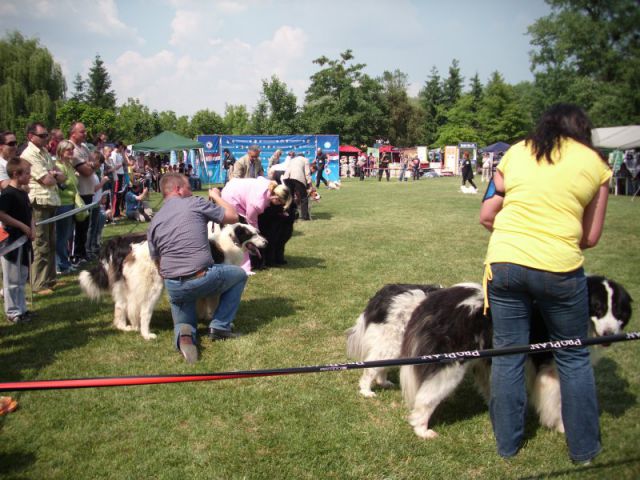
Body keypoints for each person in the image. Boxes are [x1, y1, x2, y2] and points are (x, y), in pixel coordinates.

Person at [479, 103, 611, 463]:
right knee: (573, 356)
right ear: (583, 129)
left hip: (505, 263)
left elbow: (487, 212)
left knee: (508, 355)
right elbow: (591, 236)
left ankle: (507, 445)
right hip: (560, 268)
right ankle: (584, 449)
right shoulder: (597, 166)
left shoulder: (518, 152)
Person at [147, 173, 246, 363]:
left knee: (184, 321)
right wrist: (217, 196)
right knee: (239, 274)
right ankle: (220, 326)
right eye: (189, 187)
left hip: (174, 285)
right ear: (178, 189)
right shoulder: (194, 202)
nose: (191, 191)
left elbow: (156, 259)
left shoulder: (155, 220)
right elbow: (233, 217)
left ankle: (185, 337)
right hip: (202, 277)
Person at [21, 122, 64, 295]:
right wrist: (53, 175)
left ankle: (50, 279)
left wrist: (53, 175)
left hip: (51, 200)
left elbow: (61, 177)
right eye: (42, 135)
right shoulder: (29, 154)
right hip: (38, 203)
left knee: (51, 243)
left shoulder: (45, 152)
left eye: (47, 134)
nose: (47, 137)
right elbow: (47, 180)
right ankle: (38, 284)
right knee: (40, 245)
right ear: (31, 136)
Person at [221, 176, 292, 273]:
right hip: (231, 197)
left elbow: (260, 178)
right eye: (280, 203)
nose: (280, 205)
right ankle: (244, 266)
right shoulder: (257, 204)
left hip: (234, 185)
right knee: (244, 234)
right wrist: (258, 237)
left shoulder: (271, 184)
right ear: (276, 197)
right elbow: (251, 223)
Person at [0, 158, 35, 323]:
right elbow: (2, 214)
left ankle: (22, 308)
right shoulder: (8, 194)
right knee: (12, 279)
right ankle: (13, 312)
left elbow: (30, 213)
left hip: (25, 239)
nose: (30, 176)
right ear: (16, 174)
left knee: (22, 277)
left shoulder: (23, 192)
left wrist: (32, 228)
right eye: (27, 173)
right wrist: (21, 226)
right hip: (12, 241)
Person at [54, 140, 80, 274]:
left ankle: (65, 261)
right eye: (68, 150)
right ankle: (61, 264)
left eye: (72, 149)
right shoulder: (59, 166)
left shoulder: (69, 165)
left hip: (70, 203)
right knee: (62, 236)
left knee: (67, 235)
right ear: (61, 152)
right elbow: (63, 186)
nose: (71, 152)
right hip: (62, 204)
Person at [283, 153, 312, 221]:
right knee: (303, 197)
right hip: (298, 178)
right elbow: (307, 172)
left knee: (290, 197)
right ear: (303, 156)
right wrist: (309, 183)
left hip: (287, 178)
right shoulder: (305, 160)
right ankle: (305, 217)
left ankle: (290, 215)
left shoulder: (292, 159)